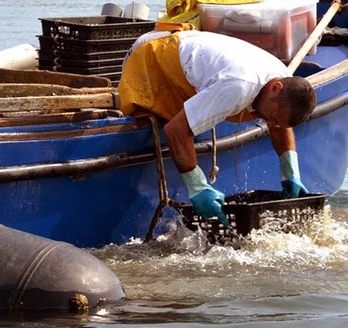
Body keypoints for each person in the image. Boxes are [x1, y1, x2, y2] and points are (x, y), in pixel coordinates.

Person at [117, 30, 316, 224]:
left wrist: (291, 172)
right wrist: (197, 187)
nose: (270, 125)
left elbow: (279, 125)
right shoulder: (238, 86)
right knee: (153, 116)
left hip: (190, 55)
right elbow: (175, 130)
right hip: (151, 58)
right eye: (272, 117)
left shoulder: (282, 77)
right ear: (275, 88)